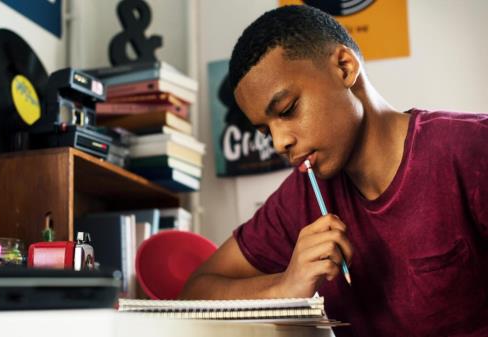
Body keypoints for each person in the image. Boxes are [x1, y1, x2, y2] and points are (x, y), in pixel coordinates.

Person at [180, 5, 488, 337]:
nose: (280, 142)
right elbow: (194, 292)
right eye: (266, 132)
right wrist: (285, 287)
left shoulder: (471, 149)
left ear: (344, 67)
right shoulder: (299, 197)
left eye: (287, 109)